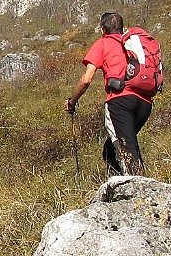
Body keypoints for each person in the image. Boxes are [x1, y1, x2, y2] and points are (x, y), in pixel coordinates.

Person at [65, 12, 152, 176]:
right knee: (110, 150)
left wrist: (72, 101)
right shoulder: (130, 43)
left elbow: (86, 79)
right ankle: (117, 188)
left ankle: (138, 193)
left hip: (120, 102)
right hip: (144, 102)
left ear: (102, 29)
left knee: (127, 151)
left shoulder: (103, 43)